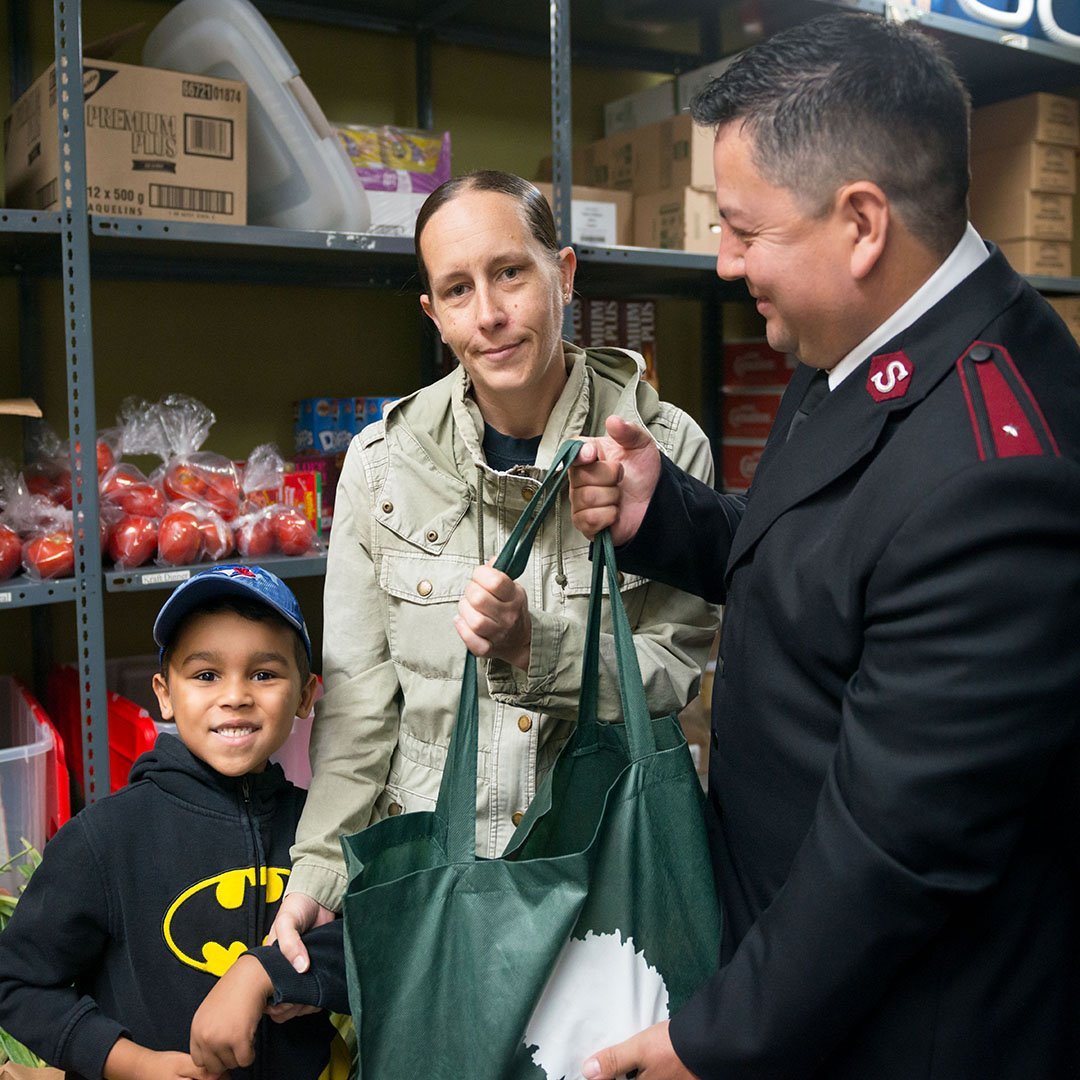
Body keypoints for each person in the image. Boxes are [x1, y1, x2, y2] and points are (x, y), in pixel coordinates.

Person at [567, 13, 1080, 1080]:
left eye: (746, 231)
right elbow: (827, 568)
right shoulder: (872, 332)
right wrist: (671, 514)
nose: (722, 262)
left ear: (860, 223)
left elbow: (894, 851)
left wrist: (713, 1041)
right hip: (796, 968)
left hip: (894, 1028)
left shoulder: (999, 473)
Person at [271, 170, 720, 967]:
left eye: (510, 272)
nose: (490, 315)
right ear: (433, 315)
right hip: (439, 880)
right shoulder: (380, 467)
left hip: (605, 874)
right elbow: (359, 709)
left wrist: (531, 648)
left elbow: (676, 673)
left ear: (565, 274)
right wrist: (319, 871)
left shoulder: (660, 447)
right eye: (457, 289)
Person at [0, 564, 336, 1080]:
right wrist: (130, 1064)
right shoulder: (108, 838)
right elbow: (16, 982)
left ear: (306, 694)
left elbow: (373, 950)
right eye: (206, 675)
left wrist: (274, 975)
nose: (236, 695)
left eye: (264, 673)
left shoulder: (321, 833)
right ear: (163, 692)